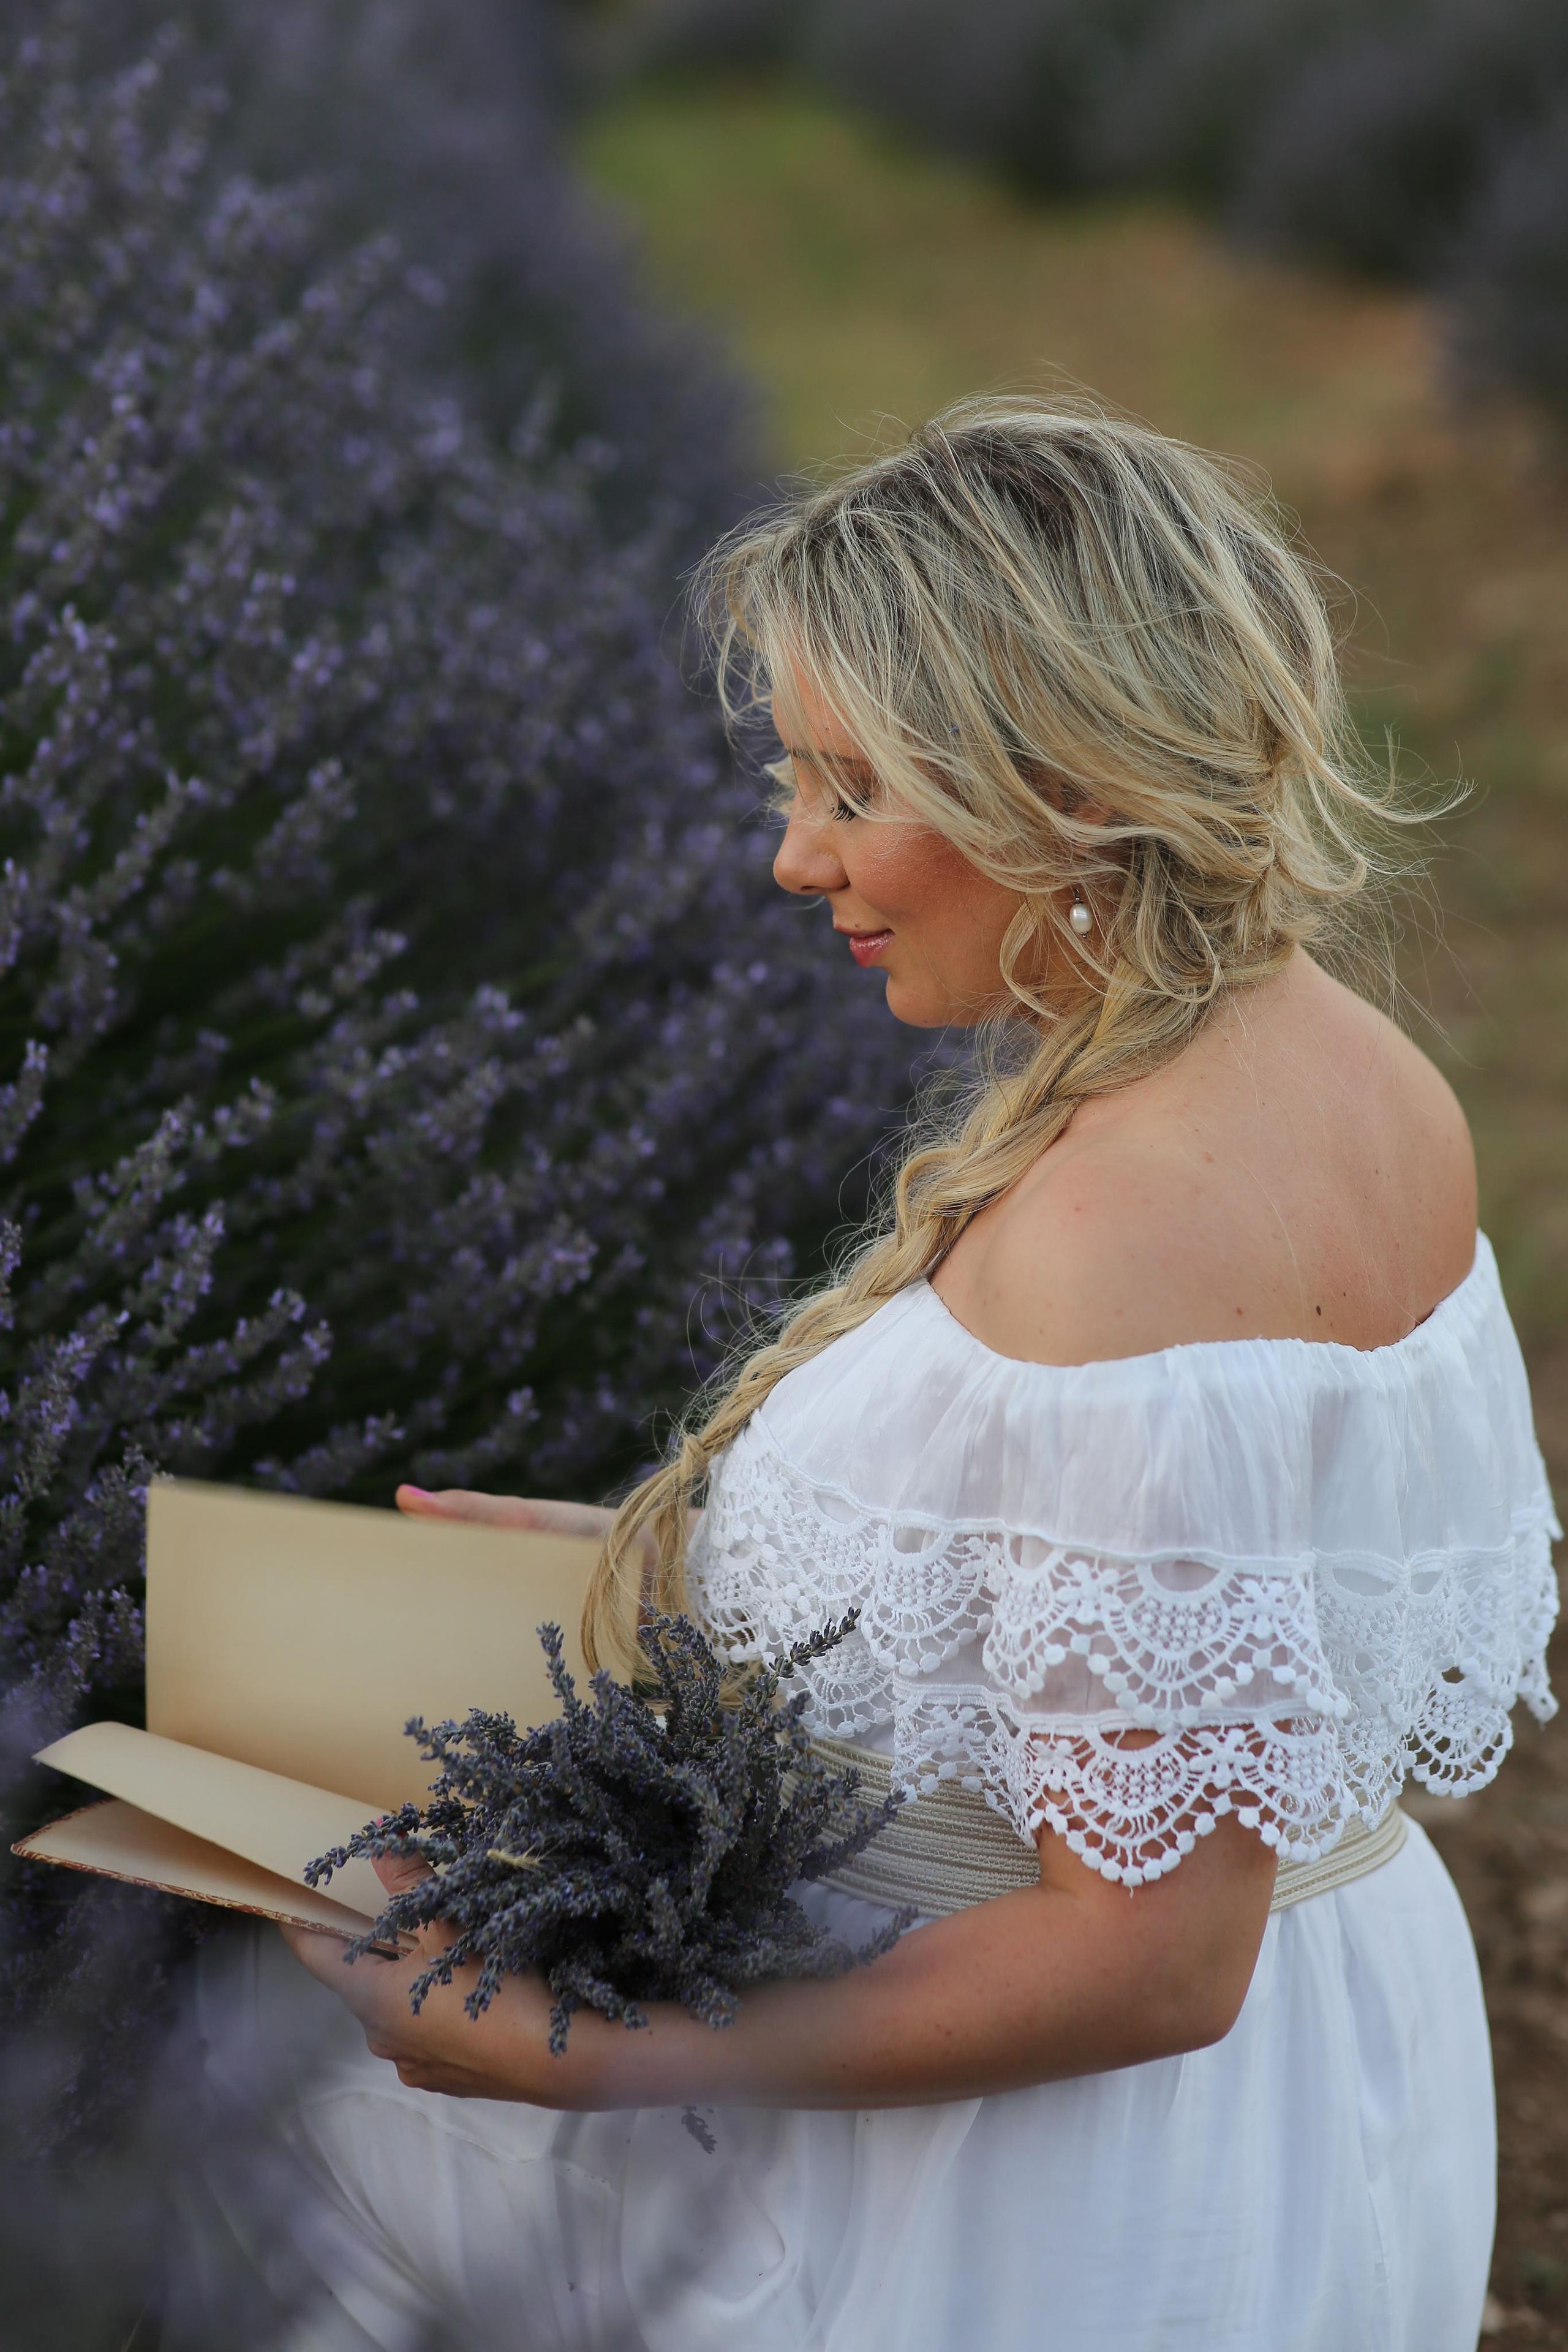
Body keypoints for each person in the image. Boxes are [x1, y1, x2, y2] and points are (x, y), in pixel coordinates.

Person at [181, 397, 1559, 2351]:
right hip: (1317, 2082)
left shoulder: (1121, 1243)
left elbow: (1153, 1954)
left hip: (1025, 2189)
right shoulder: (1352, 1072)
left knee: (286, 2171)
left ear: (1062, 784)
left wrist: (595, 2059)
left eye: (849, 788)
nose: (788, 857)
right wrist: (681, 1574)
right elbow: (1178, 1624)